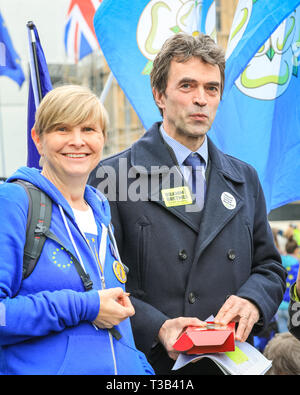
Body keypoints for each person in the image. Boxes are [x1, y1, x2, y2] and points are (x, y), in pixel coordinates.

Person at [89, 33, 287, 374]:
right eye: (187, 86)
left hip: (232, 363)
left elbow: (269, 268)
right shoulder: (112, 178)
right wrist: (157, 327)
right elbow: (98, 282)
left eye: (211, 89)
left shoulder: (244, 178)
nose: (201, 99)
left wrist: (254, 300)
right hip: (149, 365)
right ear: (159, 95)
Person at [0, 85, 154, 375]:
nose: (77, 141)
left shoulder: (101, 211)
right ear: (38, 139)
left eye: (88, 129)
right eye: (62, 129)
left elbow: (117, 324)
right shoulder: (14, 202)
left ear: (103, 139)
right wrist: (86, 306)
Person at [277, 237, 300, 333]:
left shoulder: (278, 261)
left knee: (283, 339)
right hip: (293, 306)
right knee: (293, 342)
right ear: (296, 250)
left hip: (278, 305)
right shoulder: (297, 264)